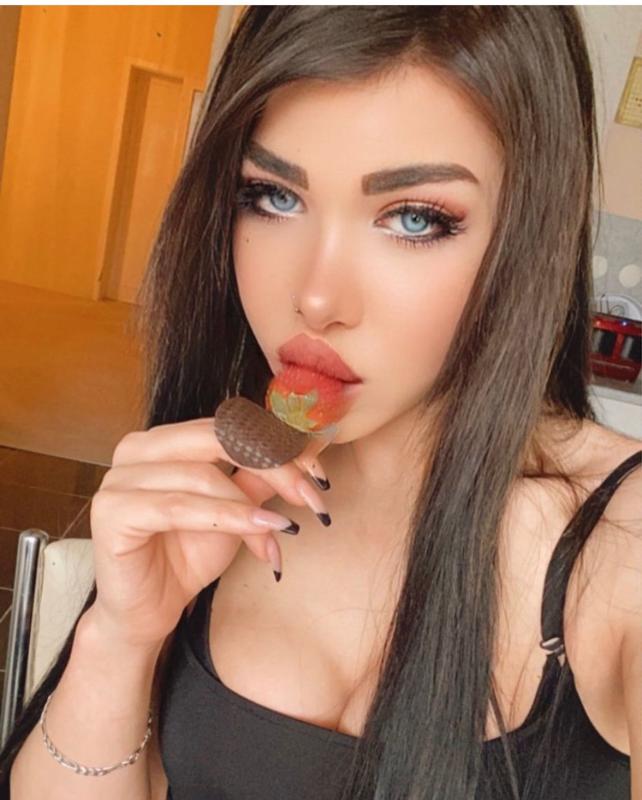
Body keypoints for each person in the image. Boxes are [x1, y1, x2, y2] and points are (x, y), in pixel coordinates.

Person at [1, 7, 640, 800]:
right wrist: (121, 637)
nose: (315, 297)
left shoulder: (622, 544)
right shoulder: (226, 482)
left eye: (414, 218)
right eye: (272, 196)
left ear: (529, 234)